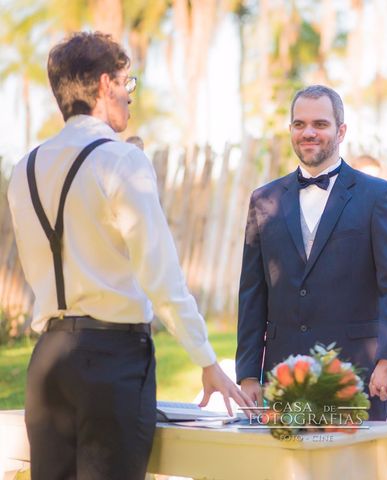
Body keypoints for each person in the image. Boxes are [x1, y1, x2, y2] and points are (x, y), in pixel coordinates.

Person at [7, 32, 252, 480]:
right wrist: (207, 360)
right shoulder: (121, 161)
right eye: (127, 82)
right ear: (105, 85)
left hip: (47, 361)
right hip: (111, 358)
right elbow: (160, 276)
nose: (130, 95)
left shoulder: (22, 170)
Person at [235, 85, 387, 420]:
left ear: (341, 131)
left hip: (356, 373)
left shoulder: (377, 195)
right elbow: (252, 293)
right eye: (299, 124)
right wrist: (248, 372)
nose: (309, 133)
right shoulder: (264, 199)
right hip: (281, 373)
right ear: (290, 130)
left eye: (320, 124)